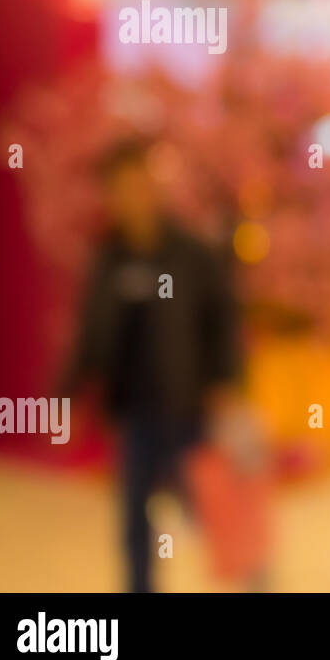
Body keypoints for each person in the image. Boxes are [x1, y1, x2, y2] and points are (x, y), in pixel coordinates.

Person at [61, 139, 241, 593]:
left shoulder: (191, 254)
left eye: (139, 184)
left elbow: (222, 319)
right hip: (133, 413)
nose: (132, 196)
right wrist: (66, 396)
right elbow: (90, 332)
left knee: (212, 515)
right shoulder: (109, 258)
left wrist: (226, 382)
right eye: (120, 188)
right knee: (135, 522)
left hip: (188, 408)